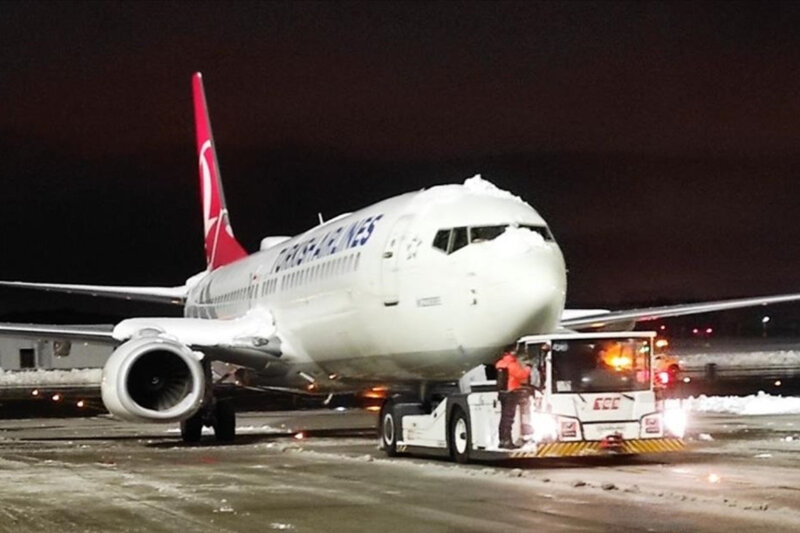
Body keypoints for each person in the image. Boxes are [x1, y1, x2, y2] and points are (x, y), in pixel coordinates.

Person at [495, 348, 533, 449]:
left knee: (503, 418)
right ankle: (508, 441)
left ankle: (502, 440)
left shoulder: (500, 363)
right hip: (511, 393)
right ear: (511, 353)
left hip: (502, 393)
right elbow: (522, 375)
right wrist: (528, 367)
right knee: (509, 419)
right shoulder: (512, 364)